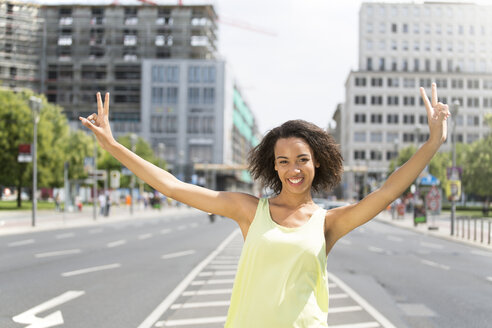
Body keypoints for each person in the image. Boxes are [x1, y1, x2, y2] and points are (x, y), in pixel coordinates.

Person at [79, 83, 449, 327]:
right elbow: (174, 187)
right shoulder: (248, 210)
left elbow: (384, 194)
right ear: (274, 167)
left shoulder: (327, 223)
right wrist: (113, 146)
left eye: (302, 159)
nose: (294, 169)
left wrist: (432, 143)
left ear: (316, 161)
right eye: (284, 161)